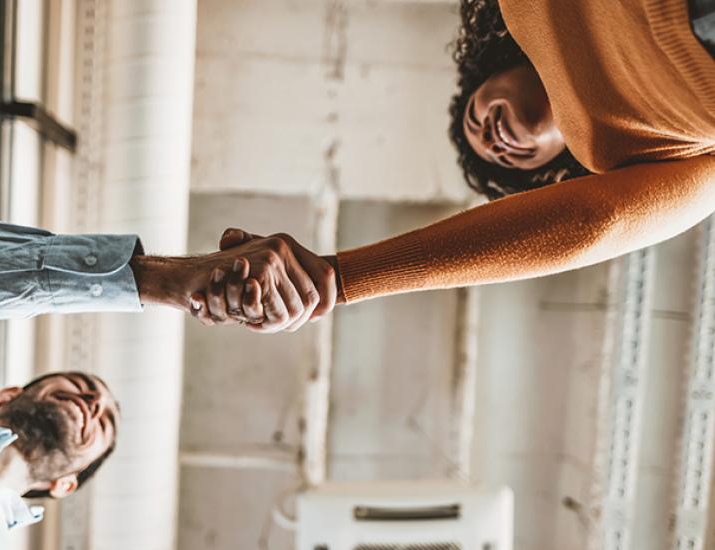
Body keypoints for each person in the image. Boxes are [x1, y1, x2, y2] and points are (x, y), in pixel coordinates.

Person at [0, 217, 320, 550]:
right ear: (11, 391)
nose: (91, 403)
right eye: (83, 389)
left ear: (67, 484)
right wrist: (152, 279)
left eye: (101, 421)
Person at [193, 0, 715, 329]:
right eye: (504, 159)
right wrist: (340, 277)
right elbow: (594, 225)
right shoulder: (626, 158)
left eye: (475, 118)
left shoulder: (524, 10)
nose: (492, 137)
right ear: (554, 173)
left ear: (484, 73)